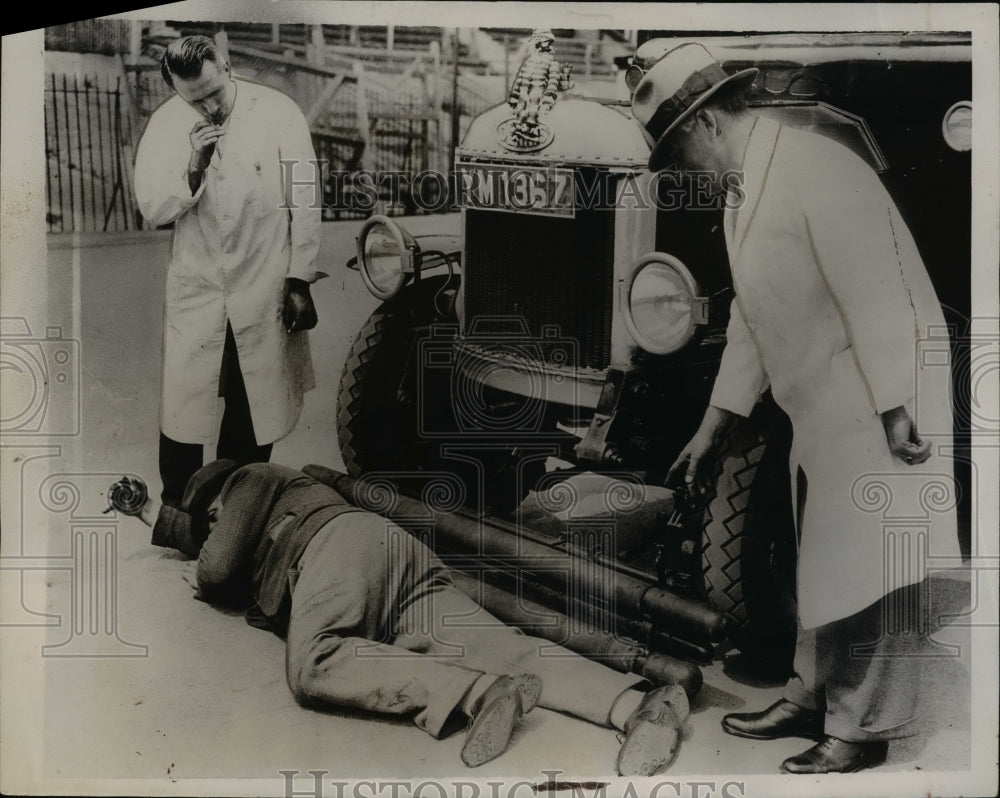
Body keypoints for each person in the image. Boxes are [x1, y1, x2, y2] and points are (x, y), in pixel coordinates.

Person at [631, 43, 962, 773]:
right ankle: (811, 693)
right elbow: (755, 315)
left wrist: (897, 406)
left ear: (710, 122)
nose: (681, 171)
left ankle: (860, 726)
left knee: (870, 562)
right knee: (827, 553)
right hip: (825, 397)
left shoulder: (817, 169)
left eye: (678, 151)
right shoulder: (746, 188)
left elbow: (877, 289)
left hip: (880, 387)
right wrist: (711, 426)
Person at [105, 463, 690, 775]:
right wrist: (148, 516)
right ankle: (640, 704)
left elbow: (217, 564)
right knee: (501, 643)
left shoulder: (248, 480)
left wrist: (203, 568)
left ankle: (480, 695)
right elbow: (202, 545)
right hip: (391, 556)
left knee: (314, 663)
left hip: (335, 553)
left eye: (208, 516)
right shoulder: (260, 498)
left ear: (217, 495)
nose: (208, 525)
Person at [133, 36, 324, 508]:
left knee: (254, 396)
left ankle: (240, 504)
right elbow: (153, 208)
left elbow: (305, 198)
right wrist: (193, 167)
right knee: (185, 399)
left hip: (264, 275)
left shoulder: (280, 112)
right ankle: (181, 508)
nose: (210, 107)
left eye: (215, 92)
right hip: (198, 284)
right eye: (195, 100)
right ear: (176, 90)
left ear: (228, 66)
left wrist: (299, 278)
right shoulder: (167, 124)